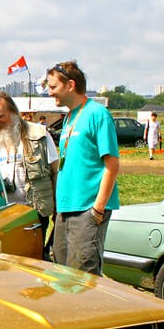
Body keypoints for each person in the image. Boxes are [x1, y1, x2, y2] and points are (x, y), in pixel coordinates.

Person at [44, 60, 119, 276]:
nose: (50, 93)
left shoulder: (97, 114)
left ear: (70, 85)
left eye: (53, 87)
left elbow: (112, 165)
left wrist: (98, 208)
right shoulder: (68, 117)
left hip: (87, 209)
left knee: (83, 276)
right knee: (61, 274)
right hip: (66, 210)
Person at [0, 91, 59, 248]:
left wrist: (58, 212)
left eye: (0, 116)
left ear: (14, 113)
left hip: (34, 214)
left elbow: (55, 173)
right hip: (0, 217)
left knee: (32, 262)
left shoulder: (39, 135)